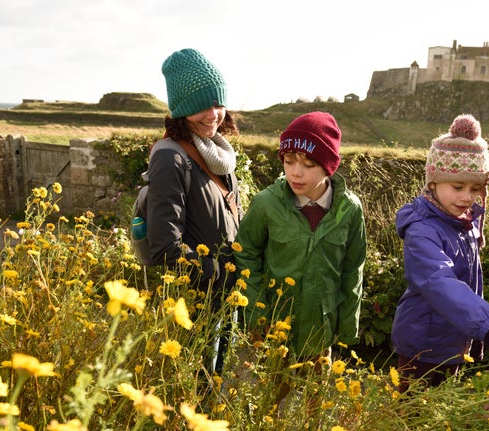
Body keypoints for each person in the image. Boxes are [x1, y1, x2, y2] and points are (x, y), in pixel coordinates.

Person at [391, 114, 489, 393]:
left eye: (475, 188)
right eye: (457, 187)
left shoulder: (464, 223)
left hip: (453, 343)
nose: (467, 197)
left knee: (442, 414)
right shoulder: (422, 230)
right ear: (432, 182)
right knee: (410, 415)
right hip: (421, 346)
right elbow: (440, 282)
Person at [234, 112, 366, 398]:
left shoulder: (350, 210)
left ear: (329, 166)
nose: (295, 172)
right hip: (274, 325)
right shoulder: (266, 203)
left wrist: (346, 323)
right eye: (288, 161)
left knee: (314, 405)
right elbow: (245, 254)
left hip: (321, 327)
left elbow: (353, 268)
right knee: (270, 400)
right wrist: (256, 312)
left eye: (308, 164)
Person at [147, 48, 242, 374]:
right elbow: (165, 246)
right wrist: (219, 274)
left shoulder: (220, 153)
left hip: (226, 296)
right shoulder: (169, 157)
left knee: (217, 382)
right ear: (181, 109)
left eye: (218, 103)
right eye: (202, 106)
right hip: (197, 302)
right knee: (196, 388)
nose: (213, 114)